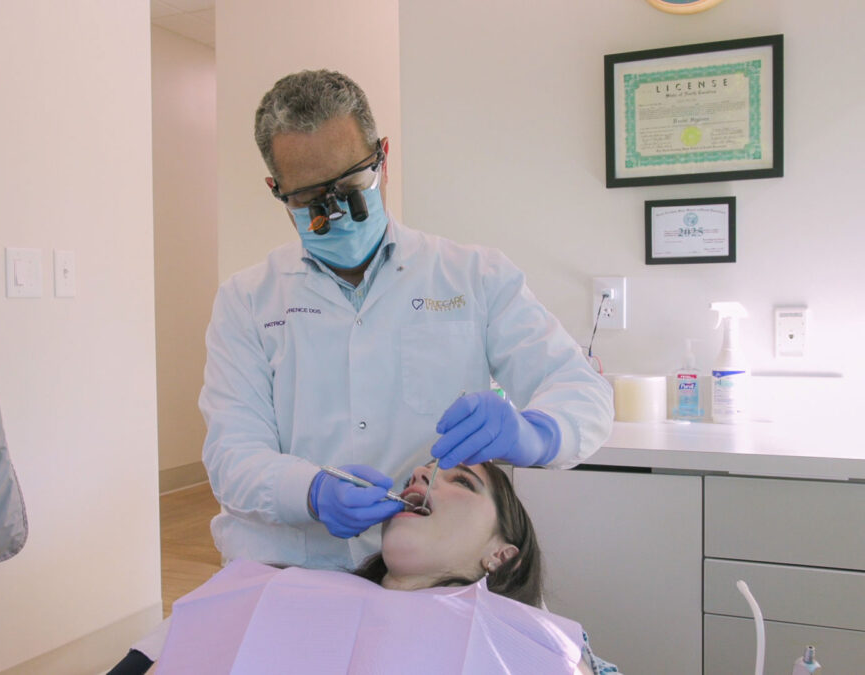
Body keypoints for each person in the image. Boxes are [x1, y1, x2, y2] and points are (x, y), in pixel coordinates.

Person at [201, 69, 614, 571]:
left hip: (433, 574)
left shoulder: (474, 276)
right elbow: (232, 455)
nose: (338, 213)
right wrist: (310, 492)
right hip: (287, 569)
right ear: (277, 189)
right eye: (311, 201)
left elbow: (582, 390)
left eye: (352, 185)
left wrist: (538, 433)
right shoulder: (247, 300)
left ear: (384, 157)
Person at [108, 462, 617, 674]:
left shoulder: (528, 639)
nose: (420, 476)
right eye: (421, 473)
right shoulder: (267, 587)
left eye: (462, 482)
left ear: (502, 554)